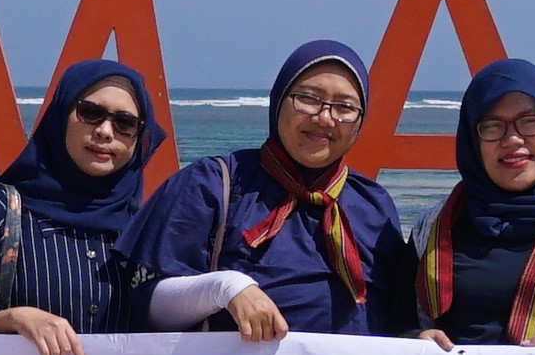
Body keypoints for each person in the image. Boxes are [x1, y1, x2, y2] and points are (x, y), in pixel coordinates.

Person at [145, 42, 410, 337]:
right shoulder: (213, 184)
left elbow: (398, 315)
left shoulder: (374, 204)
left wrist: (420, 338)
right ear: (279, 99)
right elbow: (148, 306)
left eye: (344, 107)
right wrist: (226, 288)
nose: (324, 118)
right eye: (308, 99)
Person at [0, 56, 169, 355]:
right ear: (61, 116)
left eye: (125, 123)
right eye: (91, 113)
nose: (105, 131)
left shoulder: (143, 227)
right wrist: (12, 319)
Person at [406, 53, 535, 348]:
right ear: (472, 140)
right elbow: (395, 319)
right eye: (492, 126)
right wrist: (415, 339)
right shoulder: (436, 225)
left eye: (530, 122)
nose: (513, 139)